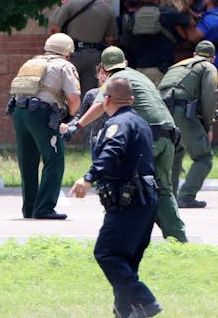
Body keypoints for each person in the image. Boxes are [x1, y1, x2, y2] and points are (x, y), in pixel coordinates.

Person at [64, 46, 187, 242]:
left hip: (148, 138)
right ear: (126, 63)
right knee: (163, 189)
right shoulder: (140, 77)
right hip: (169, 136)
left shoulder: (115, 80)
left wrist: (75, 126)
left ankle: (121, 238)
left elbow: (98, 106)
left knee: (122, 183)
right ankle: (178, 240)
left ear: (104, 69)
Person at [70, 77, 162, 318]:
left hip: (128, 200)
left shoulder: (117, 125)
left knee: (107, 253)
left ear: (107, 100)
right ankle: (124, 311)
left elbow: (112, 151)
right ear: (131, 100)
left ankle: (145, 302)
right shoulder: (140, 122)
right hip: (146, 198)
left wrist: (88, 177)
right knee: (126, 260)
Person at [8, 33, 81, 220]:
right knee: (54, 159)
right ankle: (45, 208)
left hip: (19, 112)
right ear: (67, 52)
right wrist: (72, 118)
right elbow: (73, 99)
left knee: (28, 161)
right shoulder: (64, 66)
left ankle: (30, 208)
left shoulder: (31, 63)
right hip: (42, 115)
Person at [159, 41, 218, 208]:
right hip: (181, 113)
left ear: (195, 54)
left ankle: (168, 198)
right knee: (203, 157)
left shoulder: (177, 66)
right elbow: (208, 98)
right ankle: (186, 196)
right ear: (213, 58)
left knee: (175, 154)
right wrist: (209, 123)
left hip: (163, 112)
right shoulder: (208, 67)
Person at [49, 0, 117, 96]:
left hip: (71, 55)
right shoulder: (107, 8)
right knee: (90, 95)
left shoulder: (70, 1)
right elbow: (110, 39)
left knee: (65, 94)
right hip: (95, 57)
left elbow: (55, 29)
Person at [128, 0, 192, 86]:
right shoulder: (167, 13)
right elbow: (189, 22)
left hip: (139, 69)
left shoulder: (135, 17)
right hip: (161, 69)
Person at [67, 64, 110, 146]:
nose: (105, 76)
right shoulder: (91, 94)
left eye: (109, 74)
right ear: (97, 75)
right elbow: (79, 116)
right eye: (102, 73)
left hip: (114, 136)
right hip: (96, 139)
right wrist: (68, 126)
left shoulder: (119, 94)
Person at [185, 0, 218, 75]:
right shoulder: (209, 16)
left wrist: (184, 20)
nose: (202, 1)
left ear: (209, 0)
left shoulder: (211, 19)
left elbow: (193, 37)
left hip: (209, 65)